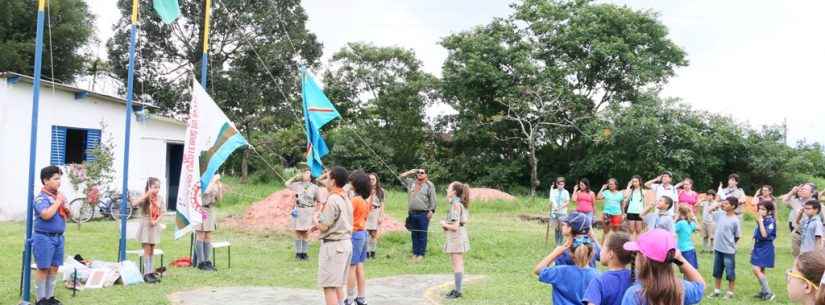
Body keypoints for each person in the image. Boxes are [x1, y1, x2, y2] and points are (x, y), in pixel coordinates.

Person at [620, 229, 706, 305]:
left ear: (644, 259)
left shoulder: (635, 294)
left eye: (637, 253)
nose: (635, 256)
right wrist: (680, 259)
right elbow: (700, 286)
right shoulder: (681, 288)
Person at [315, 166, 354, 305]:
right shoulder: (345, 197)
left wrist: (315, 218)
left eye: (327, 177)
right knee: (337, 284)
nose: (325, 181)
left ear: (333, 181)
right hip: (345, 244)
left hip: (334, 246)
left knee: (329, 286)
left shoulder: (333, 199)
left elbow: (324, 226)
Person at [33, 166, 70, 305]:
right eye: (56, 179)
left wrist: (66, 208)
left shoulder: (58, 196)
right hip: (44, 237)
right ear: (45, 180)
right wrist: (59, 202)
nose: (59, 182)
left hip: (59, 237)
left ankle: (50, 297)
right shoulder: (41, 198)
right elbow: (46, 215)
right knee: (43, 267)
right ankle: (40, 299)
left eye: (60, 178)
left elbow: (67, 216)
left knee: (54, 267)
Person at [534, 234, 599, 305]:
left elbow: (538, 270)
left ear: (571, 254)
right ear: (592, 254)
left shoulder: (561, 271)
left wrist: (555, 253)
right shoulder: (597, 276)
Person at [583, 232, 634, 305]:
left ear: (610, 254)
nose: (600, 251)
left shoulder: (599, 281)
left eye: (603, 247)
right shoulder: (635, 277)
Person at [441, 182, 472, 299]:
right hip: (457, 237)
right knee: (457, 264)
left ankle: (458, 291)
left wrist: (443, 223)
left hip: (456, 238)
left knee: (457, 264)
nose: (447, 189)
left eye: (448, 188)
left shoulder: (456, 205)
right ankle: (457, 289)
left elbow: (454, 227)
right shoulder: (457, 203)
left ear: (454, 191)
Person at [345, 171, 372, 305]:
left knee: (351, 267)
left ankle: (349, 299)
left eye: (351, 182)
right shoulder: (364, 200)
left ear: (356, 184)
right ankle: (361, 297)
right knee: (359, 266)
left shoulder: (355, 200)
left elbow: (346, 216)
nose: (349, 184)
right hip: (363, 234)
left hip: (354, 235)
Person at [131, 177, 165, 283]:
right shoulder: (146, 197)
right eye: (154, 187)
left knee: (152, 250)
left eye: (158, 187)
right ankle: (146, 273)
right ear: (149, 187)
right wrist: (147, 194)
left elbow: (163, 211)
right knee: (147, 250)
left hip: (155, 225)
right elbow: (134, 203)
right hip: (146, 225)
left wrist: (156, 220)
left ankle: (151, 272)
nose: (157, 189)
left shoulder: (159, 198)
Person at [400, 168, 437, 262]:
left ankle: (421, 254)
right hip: (412, 213)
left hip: (423, 214)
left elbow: (433, 199)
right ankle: (415, 253)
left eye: (422, 173)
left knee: (422, 234)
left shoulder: (429, 185)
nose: (420, 174)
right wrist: (411, 171)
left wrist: (432, 210)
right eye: (418, 172)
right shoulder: (411, 183)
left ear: (426, 174)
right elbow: (401, 177)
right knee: (414, 234)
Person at [709, 196, 741, 299]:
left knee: (730, 272)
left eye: (727, 203)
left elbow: (737, 236)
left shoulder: (735, 220)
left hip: (728, 251)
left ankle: (730, 293)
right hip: (718, 249)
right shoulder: (720, 215)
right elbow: (709, 210)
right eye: (724, 203)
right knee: (717, 271)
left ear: (733, 206)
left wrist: (730, 245)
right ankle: (716, 291)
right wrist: (719, 203)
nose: (724, 205)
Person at [287, 170, 321, 261]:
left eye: (307, 173)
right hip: (298, 211)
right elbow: (287, 184)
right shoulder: (297, 185)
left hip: (309, 211)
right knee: (298, 233)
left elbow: (319, 201)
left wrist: (317, 212)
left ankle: (304, 253)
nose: (305, 174)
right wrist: (295, 177)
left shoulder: (315, 187)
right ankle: (298, 253)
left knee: (306, 233)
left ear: (310, 176)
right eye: (304, 172)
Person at [195, 174, 224, 270]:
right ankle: (201, 262)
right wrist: (213, 181)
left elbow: (219, 200)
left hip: (211, 210)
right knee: (201, 235)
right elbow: (205, 192)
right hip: (201, 209)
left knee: (208, 236)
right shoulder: (203, 181)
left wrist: (219, 188)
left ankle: (207, 261)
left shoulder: (216, 183)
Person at [751, 201, 778, 301]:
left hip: (765, 247)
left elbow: (764, 235)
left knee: (755, 269)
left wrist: (760, 222)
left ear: (769, 211)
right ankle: (763, 291)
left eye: (763, 209)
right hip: (758, 245)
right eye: (760, 209)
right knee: (761, 270)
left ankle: (768, 292)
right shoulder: (762, 219)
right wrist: (753, 246)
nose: (760, 211)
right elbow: (756, 234)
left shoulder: (770, 221)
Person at [785, 184, 818, 257]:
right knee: (797, 257)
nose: (802, 190)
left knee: (809, 258)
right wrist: (792, 192)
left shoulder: (817, 205)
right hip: (797, 234)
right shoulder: (796, 201)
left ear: (812, 193)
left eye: (805, 189)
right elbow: (785, 200)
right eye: (802, 189)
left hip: (810, 235)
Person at [365, 173, 385, 259]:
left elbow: (382, 204)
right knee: (366, 233)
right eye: (370, 179)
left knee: (374, 233)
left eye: (373, 179)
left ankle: (373, 251)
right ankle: (366, 252)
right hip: (367, 211)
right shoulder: (365, 189)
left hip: (375, 211)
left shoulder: (380, 191)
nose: (371, 181)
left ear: (376, 180)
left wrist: (381, 216)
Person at [549, 177, 571, 245]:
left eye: (562, 184)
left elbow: (567, 202)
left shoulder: (566, 192)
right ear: (557, 184)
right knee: (556, 228)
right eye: (560, 184)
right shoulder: (554, 191)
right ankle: (556, 243)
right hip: (555, 213)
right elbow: (551, 201)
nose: (561, 186)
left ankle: (560, 243)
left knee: (562, 229)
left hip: (562, 213)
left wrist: (560, 207)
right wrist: (553, 207)